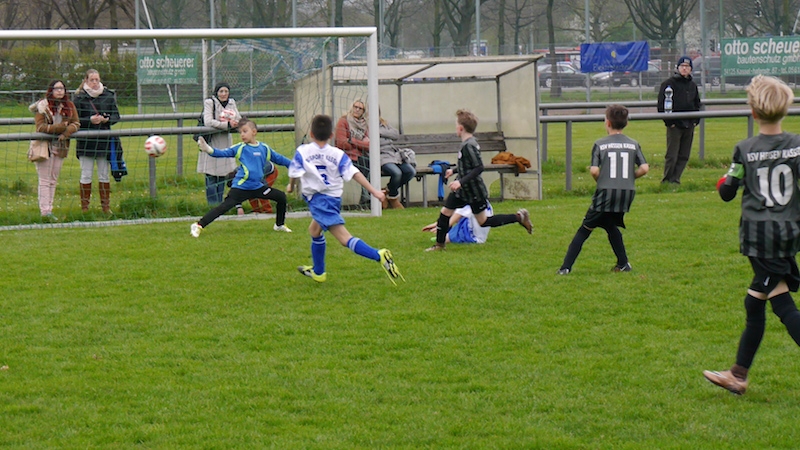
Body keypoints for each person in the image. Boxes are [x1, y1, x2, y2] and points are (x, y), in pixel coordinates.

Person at [703, 75, 800, 395]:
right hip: (788, 234)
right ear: (785, 109)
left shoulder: (744, 150)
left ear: (753, 112)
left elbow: (727, 191)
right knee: (754, 303)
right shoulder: (797, 145)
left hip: (759, 239)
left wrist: (725, 181)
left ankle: (738, 375)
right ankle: (738, 374)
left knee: (782, 305)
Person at [287, 114, 402, 285]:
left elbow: (294, 172)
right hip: (332, 198)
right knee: (314, 231)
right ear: (331, 135)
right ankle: (319, 272)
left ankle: (378, 255)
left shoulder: (303, 152)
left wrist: (290, 186)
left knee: (344, 239)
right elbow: (355, 173)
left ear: (311, 133)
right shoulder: (337, 154)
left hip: (320, 200)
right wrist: (374, 191)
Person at [557, 104, 649, 275]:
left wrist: (603, 180)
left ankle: (565, 268)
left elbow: (594, 170)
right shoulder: (633, 144)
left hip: (606, 191)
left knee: (585, 229)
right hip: (626, 193)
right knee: (609, 224)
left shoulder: (600, 144)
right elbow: (644, 168)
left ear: (607, 122)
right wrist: (629, 178)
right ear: (627, 123)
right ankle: (623, 264)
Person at [425, 109, 533, 252]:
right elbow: (467, 165)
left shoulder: (469, 145)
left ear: (461, 128)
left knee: (483, 221)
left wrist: (460, 182)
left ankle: (519, 217)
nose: (455, 128)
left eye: (456, 125)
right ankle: (439, 245)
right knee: (445, 213)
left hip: (473, 191)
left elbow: (478, 167)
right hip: (463, 190)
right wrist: (454, 171)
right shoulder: (468, 143)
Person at [190, 119, 292, 237]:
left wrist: (294, 165)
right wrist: (208, 149)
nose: (242, 135)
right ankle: (198, 225)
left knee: (281, 197)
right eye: (240, 132)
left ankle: (279, 225)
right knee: (223, 207)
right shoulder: (240, 148)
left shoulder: (264, 148)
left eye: (245, 131)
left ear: (254, 132)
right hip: (241, 188)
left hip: (257, 187)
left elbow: (279, 159)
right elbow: (221, 153)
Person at [30, 79, 80, 221]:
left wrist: (66, 133)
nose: (59, 91)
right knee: (44, 179)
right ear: (51, 90)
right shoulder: (42, 106)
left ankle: (49, 209)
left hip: (61, 146)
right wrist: (60, 128)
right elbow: (40, 127)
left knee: (53, 179)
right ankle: (45, 211)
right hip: (45, 147)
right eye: (56, 88)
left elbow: (76, 123)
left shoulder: (69, 106)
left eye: (62, 88)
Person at [74, 69, 121, 214]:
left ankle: (106, 208)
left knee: (104, 174)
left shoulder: (108, 95)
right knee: (86, 174)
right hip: (86, 142)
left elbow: (116, 116)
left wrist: (107, 119)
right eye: (92, 80)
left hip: (103, 141)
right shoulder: (79, 98)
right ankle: (85, 209)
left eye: (97, 80)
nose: (94, 83)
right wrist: (89, 120)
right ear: (86, 81)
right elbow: (74, 119)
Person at [657, 56, 701, 184]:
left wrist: (695, 120)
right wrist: (669, 122)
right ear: (677, 68)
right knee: (672, 154)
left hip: (689, 124)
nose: (684, 69)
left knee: (684, 155)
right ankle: (667, 180)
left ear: (691, 69)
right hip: (675, 125)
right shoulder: (668, 84)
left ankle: (675, 179)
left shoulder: (692, 85)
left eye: (687, 66)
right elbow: (661, 105)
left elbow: (697, 103)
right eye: (682, 66)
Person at [197, 82, 241, 206]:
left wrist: (234, 123)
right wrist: (226, 125)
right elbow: (208, 121)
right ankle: (212, 204)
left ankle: (219, 205)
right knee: (211, 175)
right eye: (221, 91)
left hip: (225, 142)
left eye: (226, 91)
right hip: (211, 141)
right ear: (216, 92)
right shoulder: (209, 103)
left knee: (222, 174)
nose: (224, 94)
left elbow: (238, 118)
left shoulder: (231, 103)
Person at [335, 100, 371, 206]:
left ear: (364, 111)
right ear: (352, 107)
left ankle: (366, 199)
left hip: (360, 156)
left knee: (371, 165)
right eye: (355, 107)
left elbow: (369, 146)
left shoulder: (364, 124)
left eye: (360, 108)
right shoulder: (343, 121)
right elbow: (342, 143)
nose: (357, 110)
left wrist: (352, 141)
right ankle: (366, 198)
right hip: (345, 157)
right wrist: (360, 143)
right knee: (366, 165)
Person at [378, 115, 416, 209]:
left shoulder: (384, 123)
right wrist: (387, 134)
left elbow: (395, 134)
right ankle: (393, 197)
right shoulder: (365, 125)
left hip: (394, 154)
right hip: (381, 155)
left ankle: (387, 190)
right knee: (397, 173)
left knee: (410, 171)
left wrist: (380, 132)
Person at [422, 202, 493, 244]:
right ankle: (448, 235)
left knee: (446, 237)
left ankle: (446, 237)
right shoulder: (482, 200)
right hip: (479, 234)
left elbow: (456, 216)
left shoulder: (470, 202)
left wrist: (440, 228)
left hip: (473, 237)